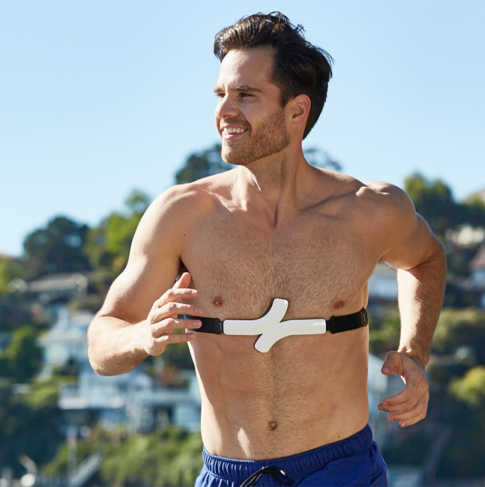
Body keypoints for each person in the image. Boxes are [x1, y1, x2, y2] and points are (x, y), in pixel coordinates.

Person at [87, 12, 446, 487]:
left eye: (245, 95)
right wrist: (141, 336)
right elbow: (100, 342)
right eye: (221, 95)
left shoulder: (368, 211)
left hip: (343, 470)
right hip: (229, 475)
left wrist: (414, 350)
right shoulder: (183, 215)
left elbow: (426, 259)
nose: (224, 112)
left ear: (297, 111)